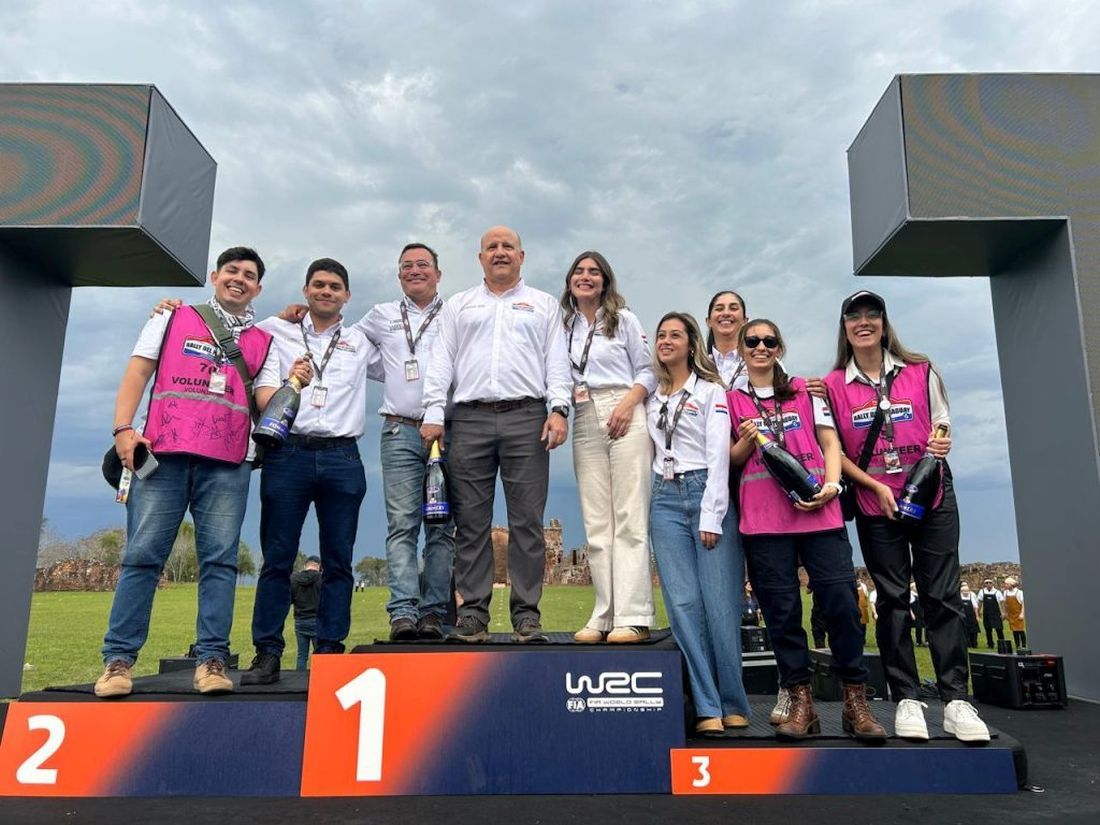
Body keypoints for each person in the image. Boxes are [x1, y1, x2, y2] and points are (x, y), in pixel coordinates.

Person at [95, 247, 309, 699]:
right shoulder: (172, 316)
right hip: (164, 455)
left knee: (220, 563)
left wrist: (294, 384)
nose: (239, 279)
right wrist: (123, 429)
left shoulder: (263, 342)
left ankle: (211, 660)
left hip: (227, 463)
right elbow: (137, 373)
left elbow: (265, 400)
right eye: (232, 271)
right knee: (142, 558)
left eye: (249, 275)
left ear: (258, 289)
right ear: (214, 276)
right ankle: (118, 661)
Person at [824, 289, 989, 742]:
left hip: (930, 492)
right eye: (854, 316)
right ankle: (907, 698)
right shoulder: (834, 385)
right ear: (844, 327)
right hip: (876, 499)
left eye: (871, 314)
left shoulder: (921, 369)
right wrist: (874, 485)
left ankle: (956, 699)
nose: (863, 322)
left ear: (884, 323)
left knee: (943, 595)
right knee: (893, 600)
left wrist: (943, 439)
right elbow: (835, 452)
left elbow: (942, 420)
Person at [729, 318, 885, 741]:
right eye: (752, 341)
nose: (760, 347)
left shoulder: (804, 390)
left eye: (769, 341)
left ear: (779, 348)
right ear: (741, 350)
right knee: (781, 614)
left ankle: (855, 700)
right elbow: (730, 460)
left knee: (842, 605)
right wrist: (746, 441)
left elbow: (829, 441)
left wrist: (832, 485)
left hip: (819, 511)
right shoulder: (731, 400)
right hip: (764, 519)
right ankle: (801, 701)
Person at [420, 226, 572, 643]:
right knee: (471, 523)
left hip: (527, 417)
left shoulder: (542, 305)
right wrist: (433, 412)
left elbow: (557, 362)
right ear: (480, 257)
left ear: (521, 256)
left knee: (527, 522)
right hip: (469, 418)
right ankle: (472, 614)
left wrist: (559, 409)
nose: (500, 252)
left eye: (508, 247)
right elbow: (441, 361)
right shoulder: (459, 305)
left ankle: (526, 615)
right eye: (492, 247)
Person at [645, 312, 750, 734]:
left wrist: (713, 513)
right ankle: (707, 706)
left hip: (705, 490)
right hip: (664, 498)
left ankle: (732, 701)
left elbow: (718, 456)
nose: (666, 341)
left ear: (691, 344)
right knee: (683, 606)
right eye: (661, 335)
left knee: (720, 603)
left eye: (676, 335)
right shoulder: (653, 396)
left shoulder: (710, 392)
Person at [355, 243, 456, 641]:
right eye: (407, 266)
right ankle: (402, 613)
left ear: (438, 274)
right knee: (402, 525)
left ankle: (433, 613)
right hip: (400, 430)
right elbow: (345, 345)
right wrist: (388, 369)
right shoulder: (381, 315)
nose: (415, 271)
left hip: (448, 429)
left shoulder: (456, 312)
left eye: (423, 265)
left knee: (442, 527)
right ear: (399, 276)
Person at [561, 251, 657, 644]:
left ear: (605, 281)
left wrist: (629, 403)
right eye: (579, 271)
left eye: (594, 272)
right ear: (570, 280)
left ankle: (633, 616)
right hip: (584, 413)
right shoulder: (563, 326)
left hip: (624, 408)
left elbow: (648, 370)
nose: (585, 277)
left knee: (629, 516)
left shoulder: (624, 320)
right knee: (597, 522)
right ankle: (604, 613)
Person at [705, 290, 751, 388]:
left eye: (733, 308)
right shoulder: (697, 365)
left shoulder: (761, 359)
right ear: (708, 321)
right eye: (719, 309)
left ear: (745, 321)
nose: (726, 313)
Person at [291, 556, 322, 669]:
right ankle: (318, 676)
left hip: (300, 619)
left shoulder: (294, 579)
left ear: (305, 565)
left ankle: (299, 676)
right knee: (319, 653)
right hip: (317, 620)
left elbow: (289, 598)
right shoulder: (321, 579)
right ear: (319, 566)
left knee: (302, 654)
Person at [978, 577, 1006, 648]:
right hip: (986, 614)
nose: (988, 584)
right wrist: (979, 611)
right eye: (986, 583)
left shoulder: (997, 592)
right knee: (988, 630)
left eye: (990, 582)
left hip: (996, 614)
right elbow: (980, 602)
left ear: (992, 584)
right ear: (984, 584)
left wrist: (1003, 612)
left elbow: (1002, 602)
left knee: (999, 629)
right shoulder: (982, 592)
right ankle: (990, 644)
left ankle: (1002, 644)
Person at [1003, 576, 1026, 648]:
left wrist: (1022, 613)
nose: (1005, 585)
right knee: (1014, 631)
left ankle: (1024, 646)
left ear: (1011, 584)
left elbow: (1023, 604)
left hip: (1018, 614)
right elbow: (1005, 604)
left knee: (1020, 630)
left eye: (1007, 584)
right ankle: (1017, 645)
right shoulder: (1005, 592)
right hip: (1011, 615)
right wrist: (1005, 613)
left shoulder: (1019, 592)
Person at [960, 581, 980, 648]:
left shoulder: (972, 596)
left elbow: (975, 607)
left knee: (974, 631)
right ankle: (967, 644)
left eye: (967, 591)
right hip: (963, 617)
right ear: (962, 591)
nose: (966, 593)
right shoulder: (960, 597)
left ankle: (974, 644)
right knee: (965, 631)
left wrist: (977, 616)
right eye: (964, 592)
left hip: (972, 617)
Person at [909, 581, 926, 646]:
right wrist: (912, 614)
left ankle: (925, 641)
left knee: (924, 627)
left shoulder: (920, 594)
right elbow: (909, 605)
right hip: (915, 613)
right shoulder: (911, 595)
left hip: (922, 613)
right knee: (917, 627)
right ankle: (918, 642)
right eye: (915, 587)